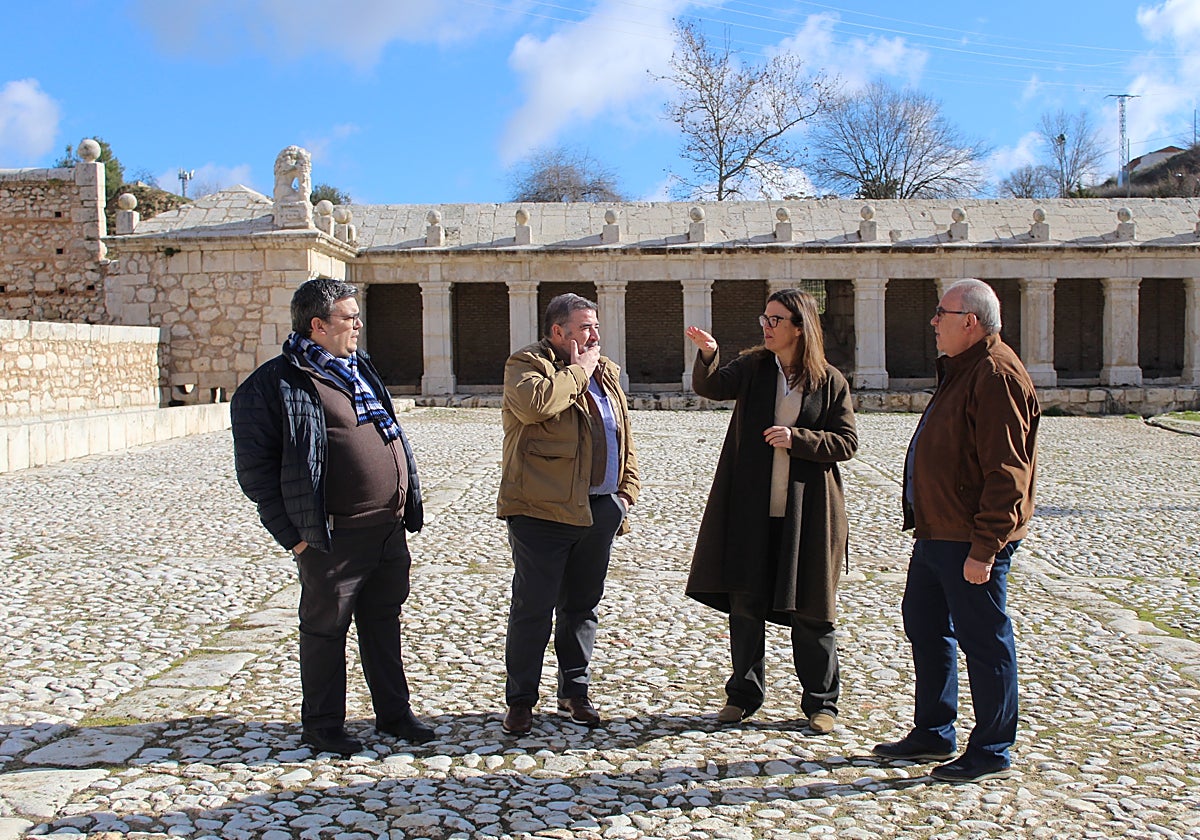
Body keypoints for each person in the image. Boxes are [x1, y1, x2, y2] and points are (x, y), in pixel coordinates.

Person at [231, 277, 434, 756]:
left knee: (383, 623)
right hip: (332, 538)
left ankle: (394, 714)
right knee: (325, 630)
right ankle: (323, 726)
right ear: (318, 326)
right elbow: (256, 474)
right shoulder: (274, 385)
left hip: (386, 530)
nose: (359, 325)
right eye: (349, 317)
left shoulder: (357, 369)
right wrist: (295, 538)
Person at [873, 278, 1040, 783]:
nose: (933, 321)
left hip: (969, 537)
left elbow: (1007, 473)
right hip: (936, 530)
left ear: (969, 322)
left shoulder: (995, 375)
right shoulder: (962, 368)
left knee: (984, 640)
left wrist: (985, 548)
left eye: (940, 313)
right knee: (926, 627)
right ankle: (934, 731)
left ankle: (991, 748)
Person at [685, 289, 857, 735]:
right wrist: (709, 354)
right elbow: (712, 387)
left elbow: (846, 442)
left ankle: (822, 702)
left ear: (800, 327)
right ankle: (742, 696)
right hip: (752, 509)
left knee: (812, 610)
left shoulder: (829, 381)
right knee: (746, 603)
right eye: (764, 318)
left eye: (776, 320)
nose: (766, 326)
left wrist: (798, 439)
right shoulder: (753, 367)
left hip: (808, 513)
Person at [497, 293, 640, 736]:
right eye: (584, 328)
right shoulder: (526, 365)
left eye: (595, 326)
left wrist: (626, 492)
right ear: (558, 332)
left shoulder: (606, 371)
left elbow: (621, 432)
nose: (594, 335)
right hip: (540, 512)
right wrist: (579, 371)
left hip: (599, 509)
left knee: (582, 607)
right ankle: (521, 700)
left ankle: (575, 692)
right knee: (533, 609)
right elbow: (536, 405)